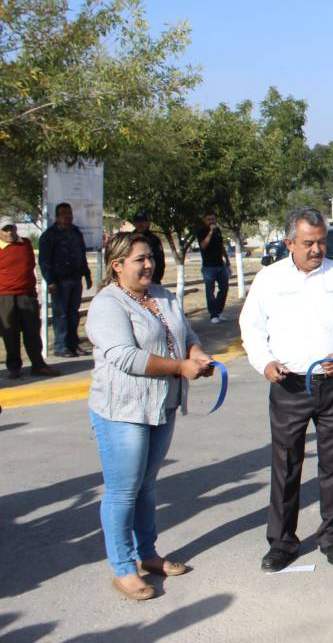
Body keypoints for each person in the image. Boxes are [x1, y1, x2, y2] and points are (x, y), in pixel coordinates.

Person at [240, 207, 333, 572]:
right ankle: (282, 542)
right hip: (288, 385)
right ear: (289, 243)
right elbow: (251, 326)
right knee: (286, 465)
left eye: (321, 242)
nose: (317, 249)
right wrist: (264, 362)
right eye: (308, 243)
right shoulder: (269, 279)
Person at [86, 232, 214, 601]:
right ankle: (123, 568)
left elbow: (187, 333)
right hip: (122, 410)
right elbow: (126, 356)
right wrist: (179, 366)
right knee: (123, 489)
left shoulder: (161, 295)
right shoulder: (107, 305)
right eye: (140, 259)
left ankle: (148, 553)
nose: (148, 265)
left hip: (162, 405)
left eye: (150, 258)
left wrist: (198, 354)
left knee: (146, 485)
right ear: (117, 265)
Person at [0, 224, 59, 379]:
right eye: (5, 230)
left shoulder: (25, 243)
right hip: (4, 296)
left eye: (11, 229)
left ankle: (38, 365)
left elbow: (30, 265)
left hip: (27, 295)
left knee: (32, 331)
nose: (9, 233)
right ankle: (14, 367)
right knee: (9, 332)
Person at [39, 202, 92, 356]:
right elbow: (44, 261)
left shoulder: (76, 232)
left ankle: (73, 344)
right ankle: (61, 347)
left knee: (73, 314)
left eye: (69, 213)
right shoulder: (49, 235)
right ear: (57, 217)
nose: (67, 216)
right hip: (60, 282)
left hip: (75, 279)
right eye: (63, 214)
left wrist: (87, 274)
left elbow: (82, 255)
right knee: (61, 315)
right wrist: (51, 281)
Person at [193, 213, 230, 323]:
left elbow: (221, 246)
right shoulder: (202, 232)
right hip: (209, 267)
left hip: (220, 265)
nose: (211, 221)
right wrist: (210, 232)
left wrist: (227, 259)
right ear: (205, 220)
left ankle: (218, 312)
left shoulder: (218, 231)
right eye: (209, 219)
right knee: (210, 291)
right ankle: (213, 315)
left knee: (224, 288)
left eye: (213, 219)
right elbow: (203, 245)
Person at [131, 212, 166, 285]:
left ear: (148, 223)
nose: (140, 224)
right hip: (133, 279)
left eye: (143, 221)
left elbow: (160, 260)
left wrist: (156, 278)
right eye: (137, 221)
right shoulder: (129, 238)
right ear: (134, 223)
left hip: (152, 279)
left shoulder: (154, 239)